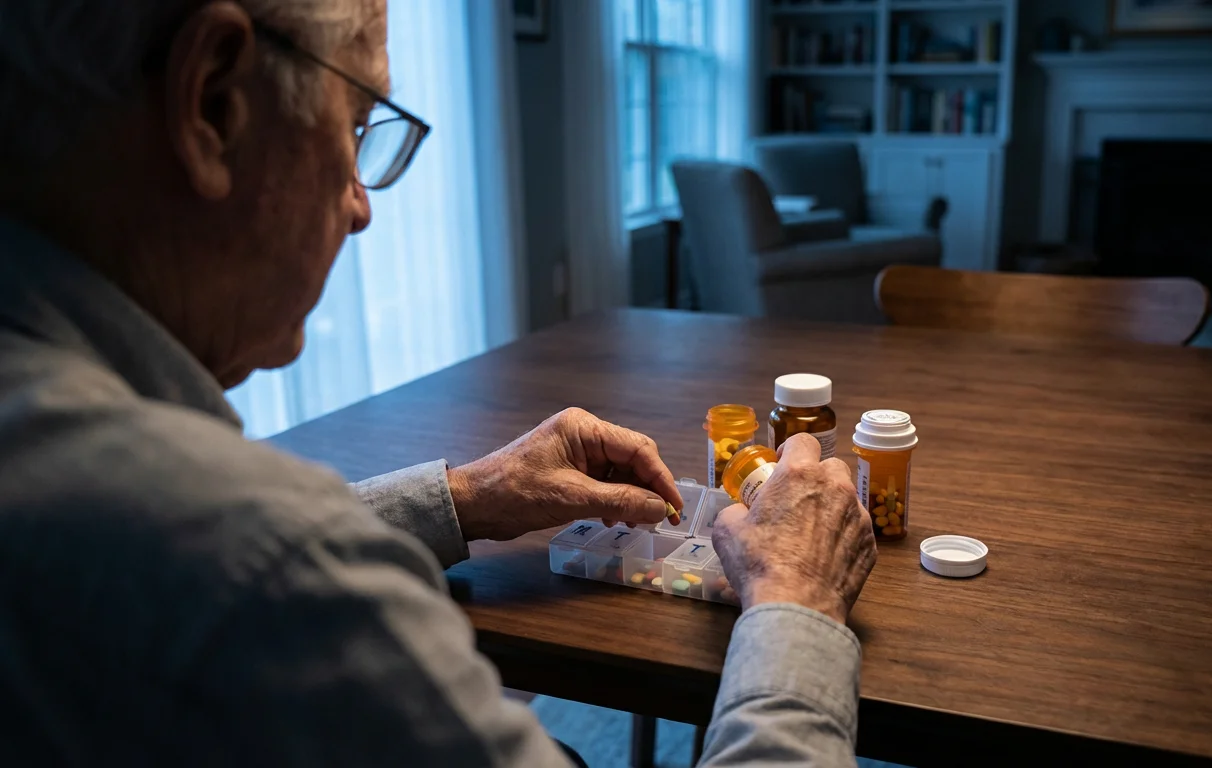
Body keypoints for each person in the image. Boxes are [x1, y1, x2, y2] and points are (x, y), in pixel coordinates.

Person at [0, 1, 878, 765]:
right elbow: (250, 562)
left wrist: (467, 495)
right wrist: (798, 605)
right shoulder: (262, 567)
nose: (360, 203)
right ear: (213, 102)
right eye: (353, 125)